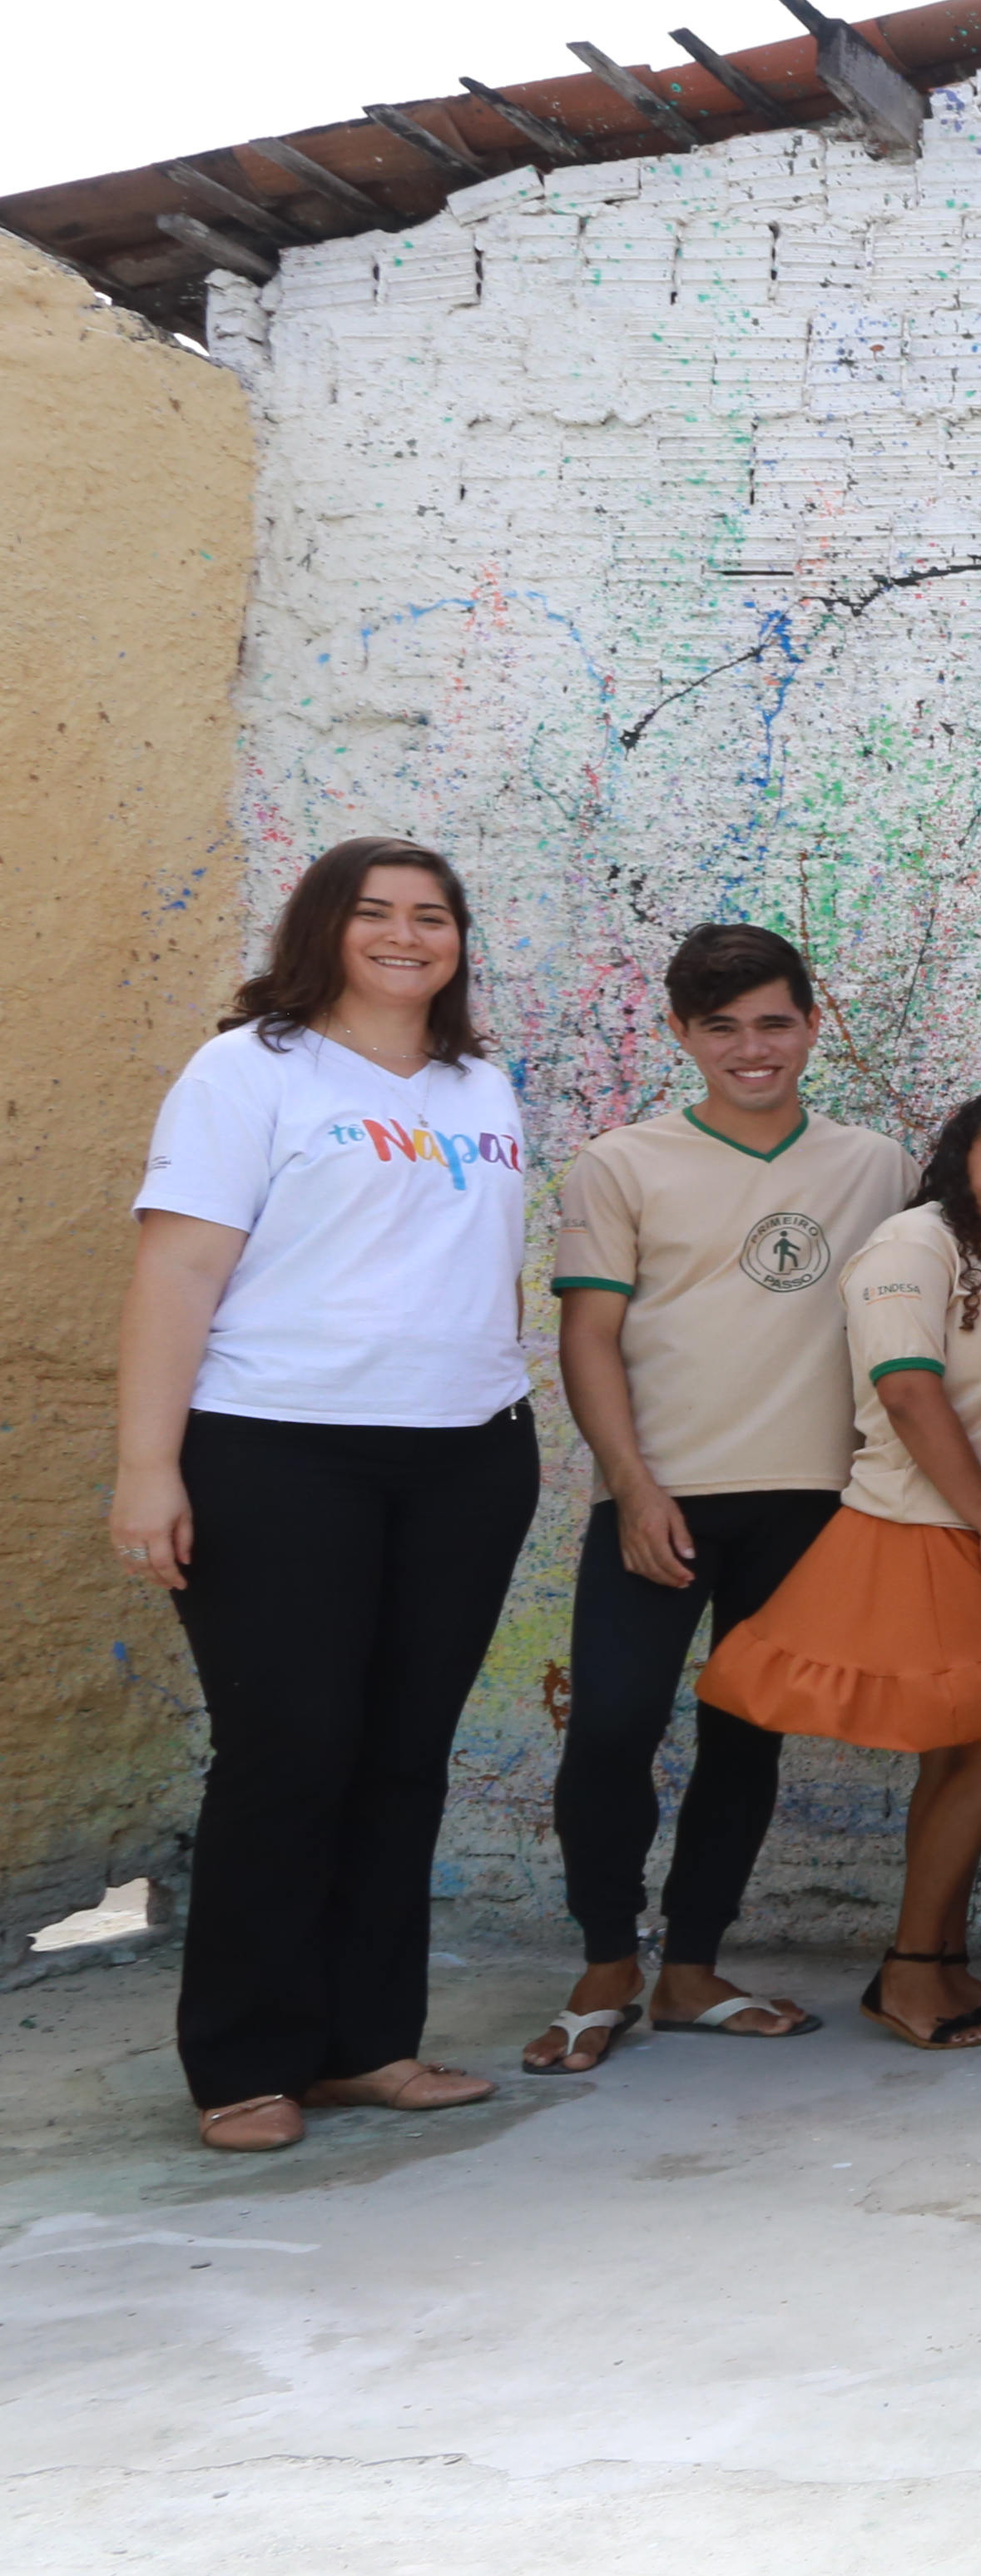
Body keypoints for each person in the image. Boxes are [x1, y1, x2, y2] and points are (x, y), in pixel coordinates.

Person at [116, 838, 543, 2153]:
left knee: (402, 1757)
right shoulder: (250, 1070)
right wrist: (148, 1464)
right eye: (376, 914)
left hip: (466, 1455)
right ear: (324, 929)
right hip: (278, 1448)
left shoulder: (482, 1085)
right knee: (289, 1749)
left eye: (434, 916)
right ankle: (245, 2061)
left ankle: (365, 2044)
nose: (409, 936)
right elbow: (178, 1274)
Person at [533, 921, 906, 2074]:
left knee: (743, 1740)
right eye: (724, 1028)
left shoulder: (877, 1166)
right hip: (661, 1499)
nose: (754, 1049)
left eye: (775, 1023)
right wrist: (634, 1489)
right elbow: (587, 1337)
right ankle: (606, 1960)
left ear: (813, 1021)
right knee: (610, 1729)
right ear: (683, 1035)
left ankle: (692, 1968)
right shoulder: (622, 1163)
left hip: (805, 1504)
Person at [699, 1083, 981, 2046]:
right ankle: (911, 1971)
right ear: (961, 1158)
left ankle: (940, 1961)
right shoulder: (914, 1241)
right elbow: (907, 1389)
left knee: (961, 1752)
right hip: (934, 1530)